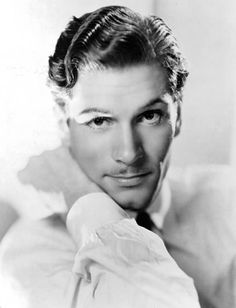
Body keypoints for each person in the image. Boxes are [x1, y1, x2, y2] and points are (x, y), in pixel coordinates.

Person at [0, 5, 235, 308]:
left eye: (149, 116)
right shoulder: (30, 257)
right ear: (64, 124)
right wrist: (90, 204)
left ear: (178, 116)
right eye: (99, 121)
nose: (128, 153)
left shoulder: (228, 200)